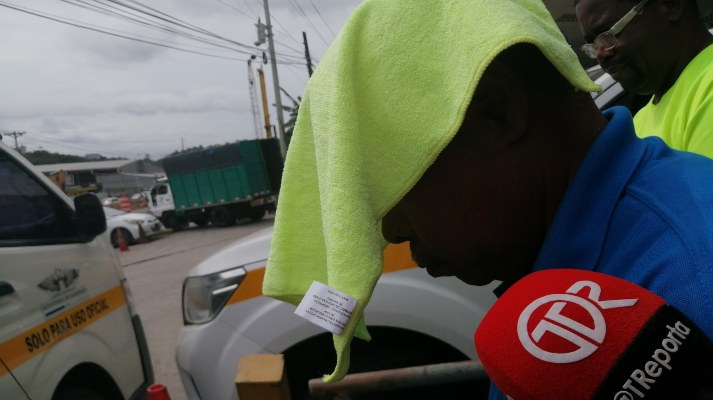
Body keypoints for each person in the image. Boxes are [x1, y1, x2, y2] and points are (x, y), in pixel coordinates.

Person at [262, 0, 713, 398]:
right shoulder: (566, 269)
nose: (389, 230)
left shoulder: (691, 284)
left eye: (391, 182)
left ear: (499, 110)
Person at [576, 0, 713, 158]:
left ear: (671, 5)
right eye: (592, 45)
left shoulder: (707, 85)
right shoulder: (638, 121)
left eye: (608, 33)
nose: (600, 54)